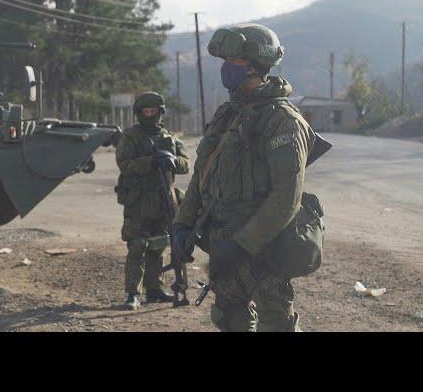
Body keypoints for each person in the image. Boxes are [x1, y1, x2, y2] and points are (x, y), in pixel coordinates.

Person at [173, 23, 316, 331]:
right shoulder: (228, 114)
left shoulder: (283, 121)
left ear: (254, 66)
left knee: (275, 324)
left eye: (233, 62)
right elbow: (202, 173)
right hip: (224, 241)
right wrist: (183, 223)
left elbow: (285, 199)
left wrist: (241, 246)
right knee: (228, 319)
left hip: (266, 249)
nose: (226, 69)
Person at [115, 91, 190, 310]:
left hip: (164, 198)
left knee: (158, 245)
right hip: (139, 200)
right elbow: (124, 164)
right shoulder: (131, 136)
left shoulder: (170, 137)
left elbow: (186, 164)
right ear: (139, 113)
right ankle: (132, 294)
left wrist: (171, 160)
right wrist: (150, 161)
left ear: (160, 112)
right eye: (145, 112)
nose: (149, 115)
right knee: (137, 246)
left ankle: (154, 289)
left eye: (153, 111)